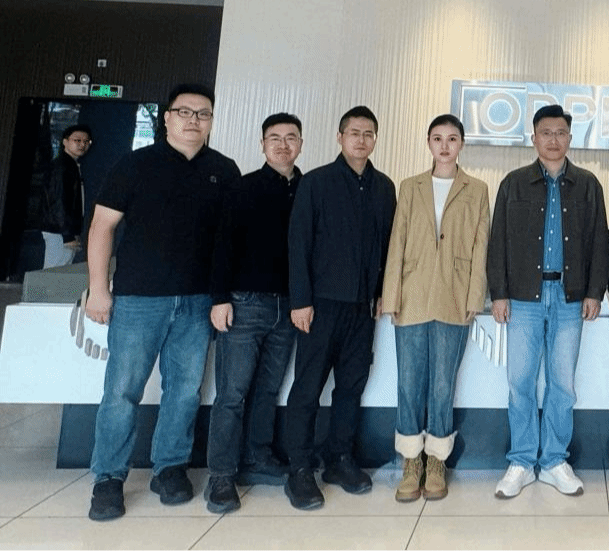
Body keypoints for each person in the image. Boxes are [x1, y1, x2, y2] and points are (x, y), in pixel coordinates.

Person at [83, 84, 240, 522]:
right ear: (167, 118)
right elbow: (101, 227)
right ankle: (108, 477)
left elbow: (229, 240)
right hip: (138, 300)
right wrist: (98, 288)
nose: (193, 120)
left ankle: (169, 468)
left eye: (203, 114)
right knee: (122, 391)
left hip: (197, 302)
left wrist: (221, 296)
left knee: (185, 391)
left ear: (211, 121)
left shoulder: (224, 170)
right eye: (184, 112)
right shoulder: (134, 165)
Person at [486, 104, 609, 499]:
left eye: (560, 133)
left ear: (570, 138)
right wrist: (498, 293)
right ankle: (521, 461)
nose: (553, 140)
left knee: (563, 384)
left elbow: (599, 241)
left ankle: (555, 460)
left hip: (569, 298)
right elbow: (498, 240)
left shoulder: (587, 184)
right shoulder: (514, 183)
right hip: (523, 298)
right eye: (546, 133)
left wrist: (594, 291)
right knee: (520, 381)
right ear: (534, 137)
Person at [283, 106, 396, 511]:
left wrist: (382, 293)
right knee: (308, 388)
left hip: (362, 309)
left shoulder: (384, 187)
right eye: (354, 133)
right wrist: (300, 300)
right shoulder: (316, 183)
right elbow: (298, 244)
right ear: (340, 137)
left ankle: (339, 459)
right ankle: (299, 468)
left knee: (350, 388)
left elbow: (388, 246)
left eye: (368, 134)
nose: (361, 140)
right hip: (320, 306)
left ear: (375, 139)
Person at [381, 114, 489, 503]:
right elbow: (397, 241)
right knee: (409, 381)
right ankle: (411, 461)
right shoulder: (410, 186)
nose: (445, 146)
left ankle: (436, 460)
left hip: (454, 296)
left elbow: (480, 245)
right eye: (437, 138)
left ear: (462, 144)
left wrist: (474, 297)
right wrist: (391, 296)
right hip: (412, 294)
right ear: (428, 143)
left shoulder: (477, 190)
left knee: (443, 383)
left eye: (452, 139)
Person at [203, 113, 305, 513]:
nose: (283, 145)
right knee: (232, 393)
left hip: (289, 307)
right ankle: (221, 475)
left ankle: (258, 455)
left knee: (268, 389)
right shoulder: (242, 188)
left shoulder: (308, 189)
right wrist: (219, 298)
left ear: (301, 144)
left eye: (291, 138)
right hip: (245, 304)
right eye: (274, 138)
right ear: (262, 145)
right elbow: (222, 246)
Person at [39, 123, 92, 268]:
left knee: (58, 269)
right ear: (65, 141)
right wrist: (67, 236)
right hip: (59, 231)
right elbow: (58, 201)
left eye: (86, 141)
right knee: (55, 271)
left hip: (61, 230)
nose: (82, 144)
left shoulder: (70, 165)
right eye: (77, 140)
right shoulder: (63, 166)